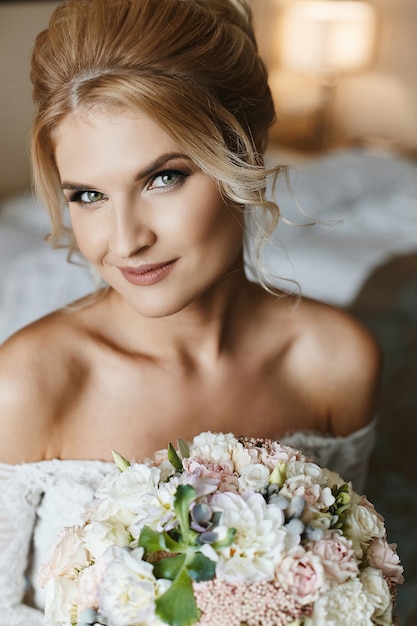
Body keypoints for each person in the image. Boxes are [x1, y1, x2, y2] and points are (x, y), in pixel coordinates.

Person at [0, 0, 381, 623]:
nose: (123, 241)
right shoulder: (29, 382)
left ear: (247, 150)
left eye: (163, 178)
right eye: (89, 196)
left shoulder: (335, 363)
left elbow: (344, 585)